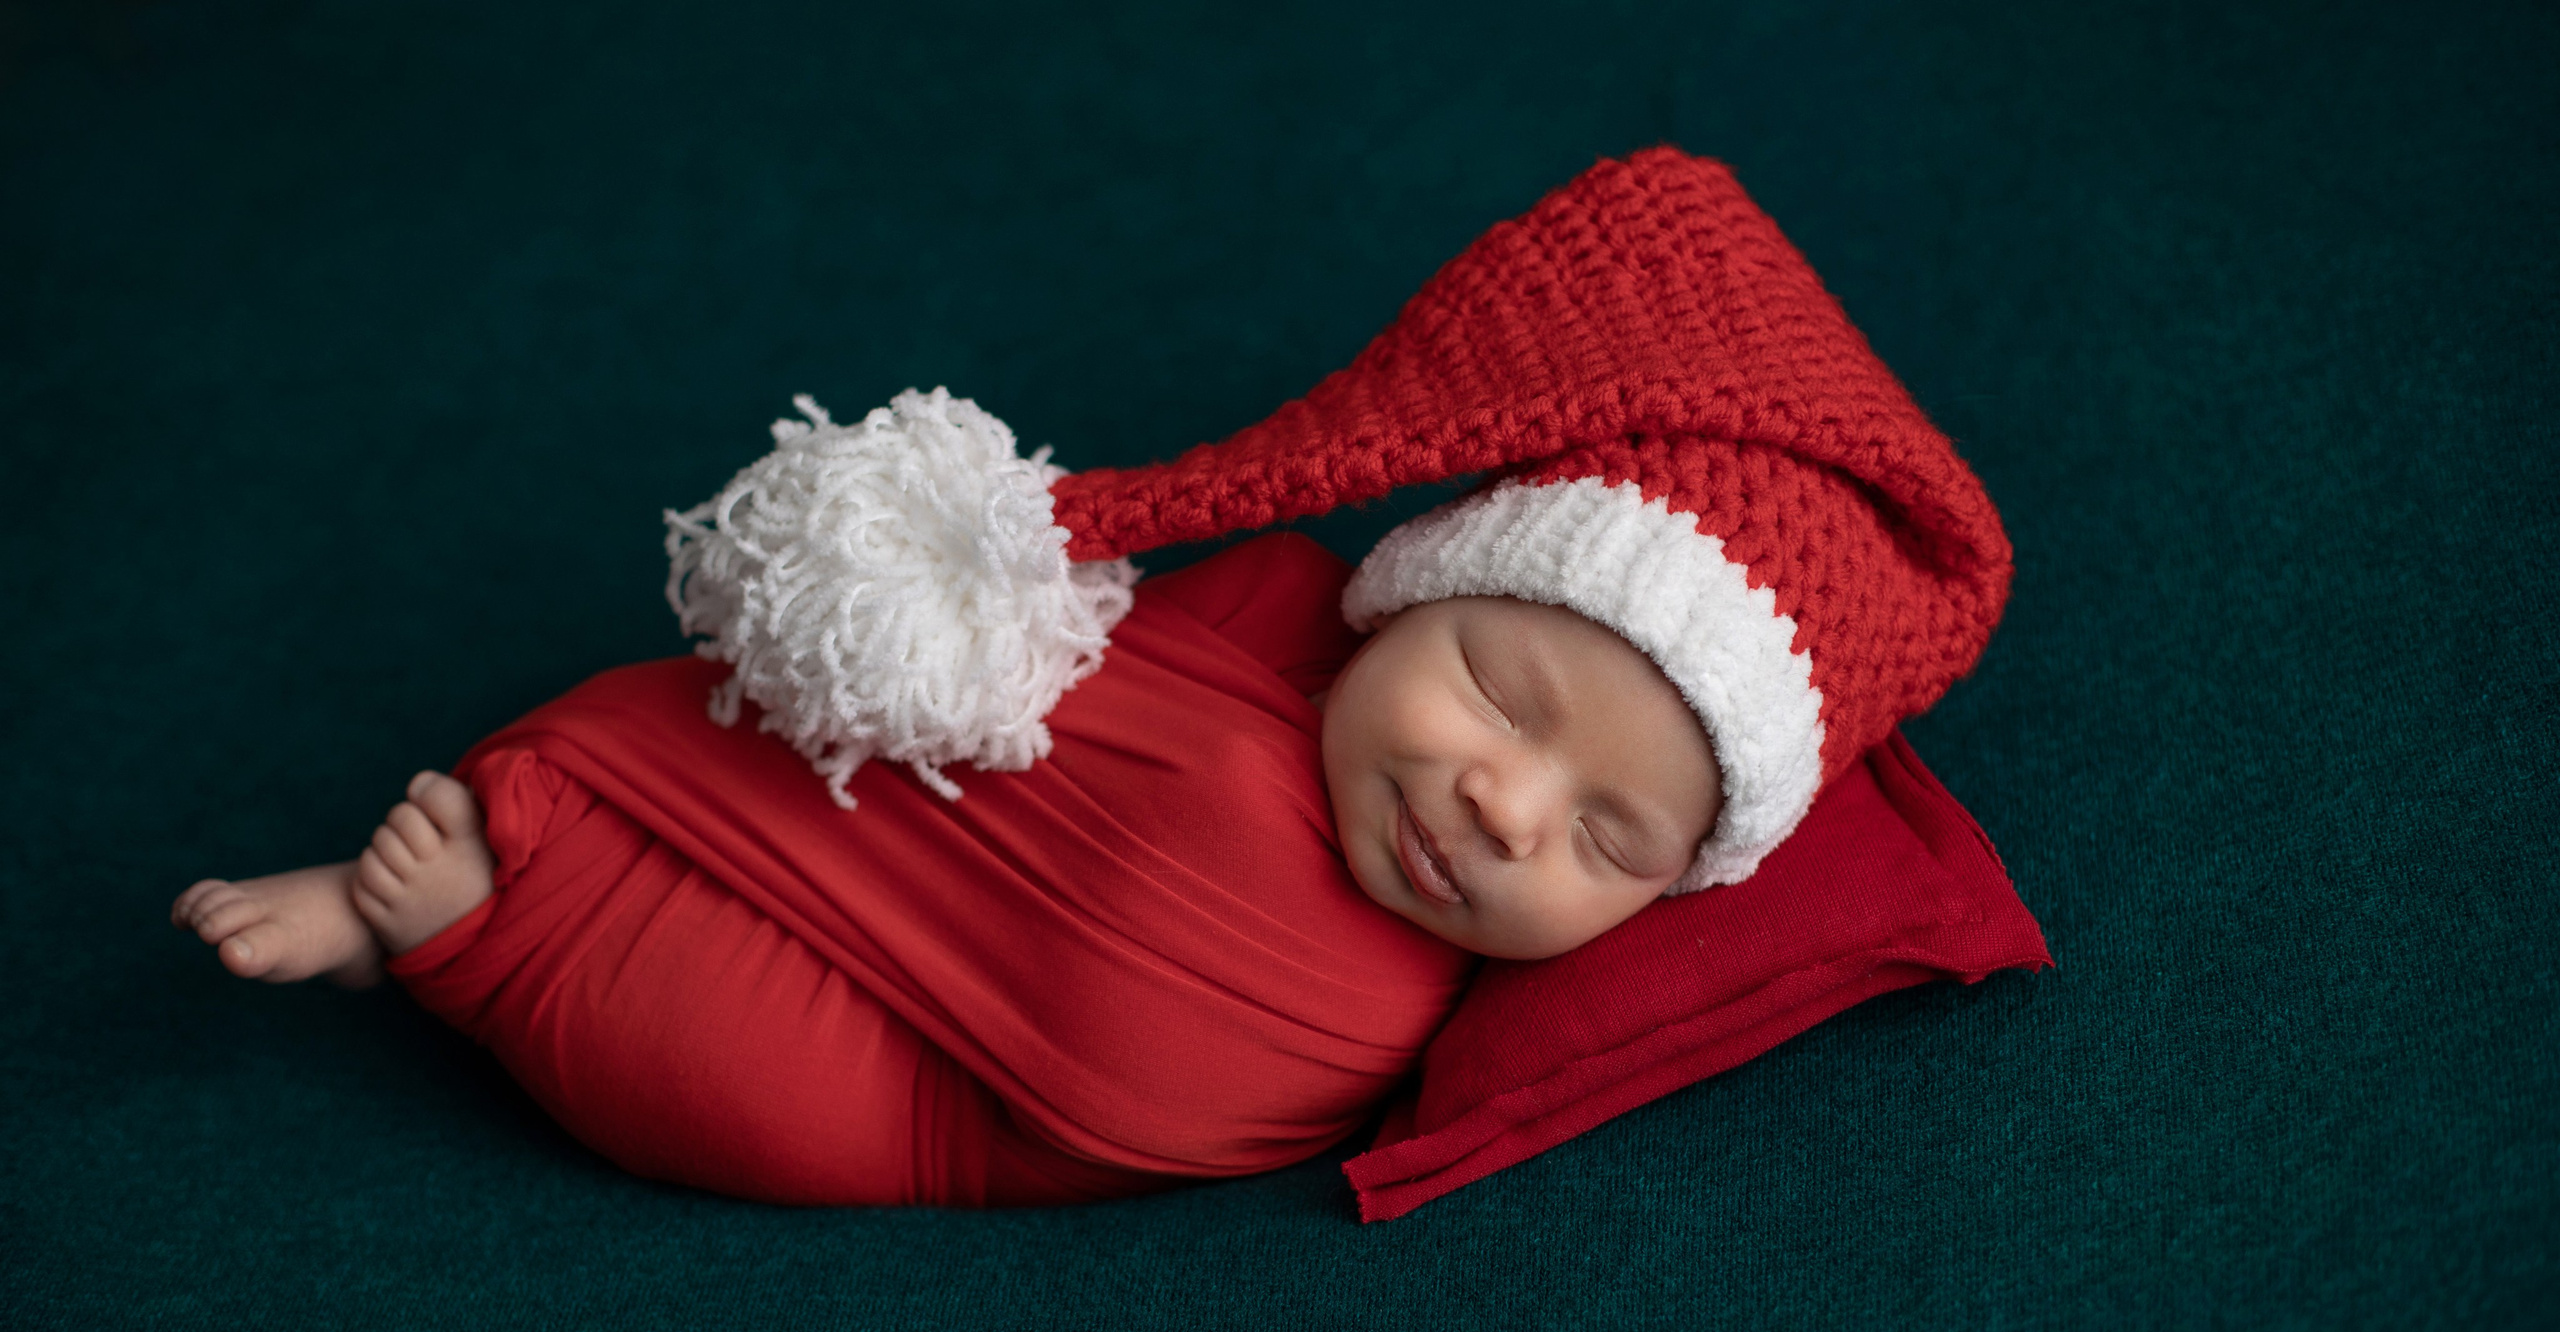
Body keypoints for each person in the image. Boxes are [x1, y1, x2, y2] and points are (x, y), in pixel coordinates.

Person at [169, 148, 2014, 1206]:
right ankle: (458, 858)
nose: (1503, 806)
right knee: (723, 727)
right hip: (920, 840)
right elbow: (1028, 685)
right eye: (1500, 695)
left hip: (952, 1099)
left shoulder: (1411, 988)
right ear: (1398, 604)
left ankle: (492, 945)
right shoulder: (1269, 613)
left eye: (1609, 843)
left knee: (753, 1094)